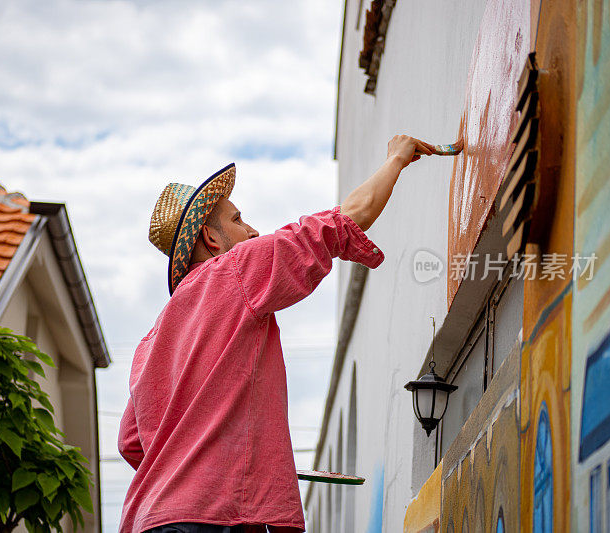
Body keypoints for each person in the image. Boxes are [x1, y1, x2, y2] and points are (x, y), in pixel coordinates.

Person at [118, 135, 436, 532]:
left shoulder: (149, 342)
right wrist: (396, 159)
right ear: (211, 238)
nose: (251, 231)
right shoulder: (235, 270)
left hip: (150, 518)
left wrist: (219, 454)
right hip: (212, 520)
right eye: (237, 220)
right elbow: (343, 222)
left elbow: (132, 442)